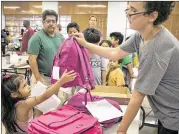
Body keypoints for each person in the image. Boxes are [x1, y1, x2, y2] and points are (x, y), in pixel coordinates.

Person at [74, 2, 179, 134]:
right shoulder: (140, 35)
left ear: (152, 16)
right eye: (128, 9)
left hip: (173, 116)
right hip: (164, 111)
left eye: (133, 10)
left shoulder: (157, 47)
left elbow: (138, 95)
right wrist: (85, 44)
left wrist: (121, 131)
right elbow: (115, 53)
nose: (128, 13)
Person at [2, 70, 76, 133]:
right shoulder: (23, 104)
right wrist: (61, 81)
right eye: (24, 86)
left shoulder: (11, 103)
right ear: (14, 94)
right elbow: (44, 97)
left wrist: (48, 90)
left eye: (26, 83)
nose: (28, 86)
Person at [28, 9, 65, 87]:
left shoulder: (60, 37)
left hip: (55, 77)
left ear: (56, 23)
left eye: (53, 21)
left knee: (55, 99)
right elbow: (32, 59)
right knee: (40, 99)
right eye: (48, 21)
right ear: (43, 22)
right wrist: (38, 78)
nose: (51, 24)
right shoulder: (37, 37)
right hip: (41, 78)